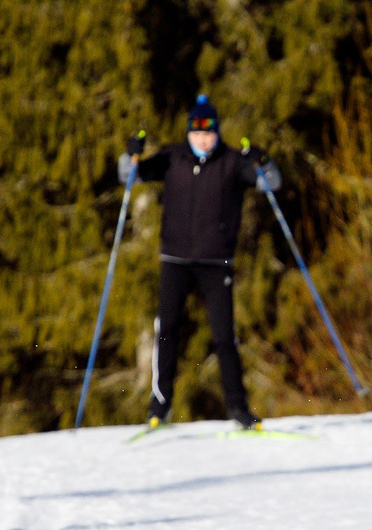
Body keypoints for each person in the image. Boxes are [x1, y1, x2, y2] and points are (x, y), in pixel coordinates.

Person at [117, 95, 282, 431]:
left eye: (209, 134)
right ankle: (159, 404)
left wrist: (263, 160)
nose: (203, 140)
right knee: (168, 331)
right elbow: (129, 176)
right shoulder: (172, 157)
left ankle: (238, 407)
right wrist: (129, 152)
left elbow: (271, 184)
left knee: (224, 337)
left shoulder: (231, 162)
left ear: (217, 133)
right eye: (197, 134)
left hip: (215, 259)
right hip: (175, 258)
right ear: (189, 133)